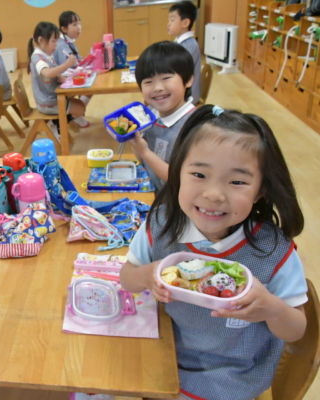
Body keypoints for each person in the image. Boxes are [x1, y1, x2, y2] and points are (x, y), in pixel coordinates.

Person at [120, 105, 308, 400]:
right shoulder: (162, 223)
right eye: (199, 174)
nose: (214, 195)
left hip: (233, 372)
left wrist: (272, 309)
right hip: (165, 349)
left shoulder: (272, 250)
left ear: (260, 190)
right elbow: (127, 278)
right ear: (177, 173)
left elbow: (297, 329)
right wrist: (149, 274)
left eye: (237, 182)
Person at [129, 41, 195, 194]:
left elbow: (180, 181)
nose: (157, 88)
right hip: (151, 194)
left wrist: (144, 151)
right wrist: (134, 141)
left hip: (174, 203)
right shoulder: (150, 115)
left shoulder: (194, 128)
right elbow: (144, 161)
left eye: (166, 78)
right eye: (148, 82)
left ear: (188, 80)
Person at [28, 21, 85, 139]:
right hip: (48, 103)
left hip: (52, 97)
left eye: (57, 41)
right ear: (41, 40)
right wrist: (66, 64)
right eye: (53, 41)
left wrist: (59, 77)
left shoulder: (46, 55)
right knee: (80, 109)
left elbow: (51, 74)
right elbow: (47, 73)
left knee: (80, 106)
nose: (56, 44)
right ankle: (57, 124)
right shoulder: (38, 58)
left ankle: (57, 123)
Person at [52, 11, 90, 128]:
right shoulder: (61, 45)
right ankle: (75, 116)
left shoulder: (69, 42)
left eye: (79, 23)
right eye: (74, 25)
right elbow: (66, 68)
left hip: (68, 78)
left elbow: (74, 61)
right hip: (62, 83)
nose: (79, 27)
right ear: (64, 29)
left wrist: (80, 60)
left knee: (90, 85)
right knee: (89, 88)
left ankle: (77, 114)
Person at [168, 1, 201, 104]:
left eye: (172, 20)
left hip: (188, 96)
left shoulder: (190, 45)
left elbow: (177, 70)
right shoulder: (179, 42)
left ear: (185, 23)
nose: (168, 24)